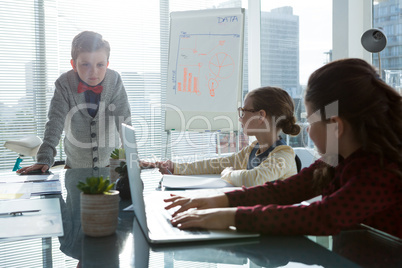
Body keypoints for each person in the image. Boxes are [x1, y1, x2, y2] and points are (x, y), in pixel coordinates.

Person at [164, 58, 402, 239]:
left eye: (309, 120)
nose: (306, 130)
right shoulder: (335, 160)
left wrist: (229, 215)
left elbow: (322, 217)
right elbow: (282, 192)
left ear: (335, 126)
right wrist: (216, 201)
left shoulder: (381, 172)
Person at [18, 31, 131, 173]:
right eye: (85, 65)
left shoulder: (114, 80)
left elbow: (124, 121)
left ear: (107, 64)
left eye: (100, 65)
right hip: (75, 167)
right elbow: (55, 123)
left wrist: (129, 155)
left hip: (110, 166)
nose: (93, 72)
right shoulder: (64, 84)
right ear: (74, 64)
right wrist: (44, 158)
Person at [144, 86, 301, 187]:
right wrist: (176, 167)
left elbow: (253, 179)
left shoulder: (284, 155)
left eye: (243, 111)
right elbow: (217, 163)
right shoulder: (252, 150)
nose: (240, 118)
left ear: (260, 116)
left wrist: (228, 174)